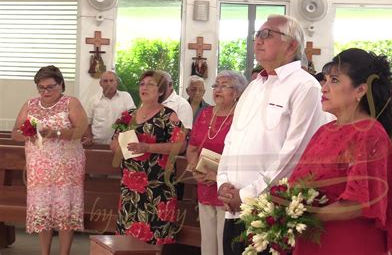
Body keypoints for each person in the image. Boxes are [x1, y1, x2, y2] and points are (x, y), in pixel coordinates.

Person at [216, 14, 329, 255]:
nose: (258, 40)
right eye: (257, 34)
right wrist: (222, 181)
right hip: (234, 209)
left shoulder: (305, 86)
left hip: (271, 213)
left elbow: (295, 153)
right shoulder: (255, 85)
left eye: (267, 34)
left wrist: (246, 195)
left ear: (291, 45)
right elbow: (232, 139)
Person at [289, 48, 392, 254]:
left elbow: (359, 203)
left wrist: (300, 215)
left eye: (334, 80)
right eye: (324, 80)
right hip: (312, 237)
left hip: (347, 242)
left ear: (360, 90)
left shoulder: (369, 133)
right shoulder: (324, 131)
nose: (323, 88)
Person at [11, 65, 88, 255]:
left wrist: (57, 133)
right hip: (39, 168)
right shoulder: (30, 104)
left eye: (50, 87)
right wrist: (26, 135)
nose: (45, 91)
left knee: (64, 211)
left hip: (66, 167)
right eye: (41, 87)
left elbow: (82, 131)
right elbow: (14, 132)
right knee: (42, 211)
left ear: (61, 85)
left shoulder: (71, 103)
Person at [110, 70, 185, 245]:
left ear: (160, 91)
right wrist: (119, 147)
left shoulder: (169, 115)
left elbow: (181, 146)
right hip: (131, 186)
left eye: (150, 84)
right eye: (142, 84)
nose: (144, 88)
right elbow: (113, 143)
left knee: (155, 235)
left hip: (158, 186)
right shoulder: (128, 115)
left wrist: (148, 147)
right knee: (128, 234)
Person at [187, 70, 248, 255]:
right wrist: (195, 169)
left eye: (224, 85)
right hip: (204, 184)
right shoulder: (205, 114)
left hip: (228, 187)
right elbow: (192, 147)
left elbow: (243, 153)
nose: (217, 89)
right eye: (215, 85)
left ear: (237, 92)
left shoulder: (242, 117)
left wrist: (218, 176)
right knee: (207, 242)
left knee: (225, 242)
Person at [83, 71, 135, 145]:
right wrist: (89, 137)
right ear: (100, 84)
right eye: (105, 81)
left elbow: (133, 118)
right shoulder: (93, 100)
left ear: (116, 82)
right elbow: (87, 122)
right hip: (97, 144)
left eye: (111, 81)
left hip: (120, 144)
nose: (109, 84)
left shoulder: (126, 97)